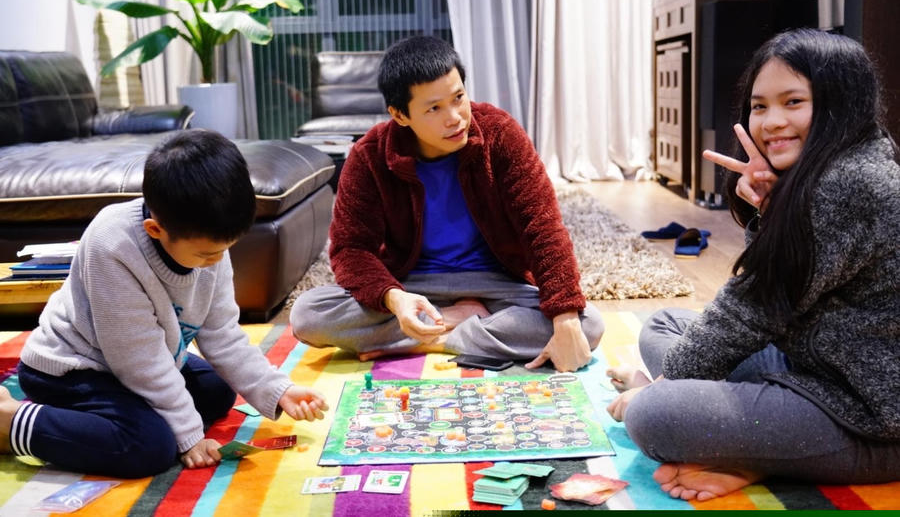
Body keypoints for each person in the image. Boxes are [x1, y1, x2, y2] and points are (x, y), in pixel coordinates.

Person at [606, 29, 900, 501]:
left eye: (793, 102)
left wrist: (660, 388)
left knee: (652, 415)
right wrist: (769, 208)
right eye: (760, 106)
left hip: (867, 419)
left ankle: (751, 454)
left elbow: (754, 305)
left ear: (841, 102)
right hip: (811, 364)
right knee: (663, 325)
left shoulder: (852, 183)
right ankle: (749, 444)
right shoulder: (834, 167)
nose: (771, 122)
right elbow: (780, 286)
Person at [0, 130, 328, 478]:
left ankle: (112, 419)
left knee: (217, 392)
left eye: (225, 249)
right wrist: (189, 436)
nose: (217, 262)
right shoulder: (112, 244)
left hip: (139, 359)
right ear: (155, 230)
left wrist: (277, 389)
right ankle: (10, 420)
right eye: (207, 254)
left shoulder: (207, 238)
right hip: (71, 368)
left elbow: (223, 336)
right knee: (150, 447)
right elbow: (139, 361)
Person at [291, 36, 604, 372]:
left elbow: (542, 226)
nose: (455, 118)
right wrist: (395, 299)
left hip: (496, 282)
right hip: (412, 286)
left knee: (587, 324)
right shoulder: (370, 156)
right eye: (434, 108)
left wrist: (565, 317)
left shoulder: (500, 134)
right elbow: (350, 249)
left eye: (458, 98)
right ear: (399, 114)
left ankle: (429, 339)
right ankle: (460, 322)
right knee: (308, 315)